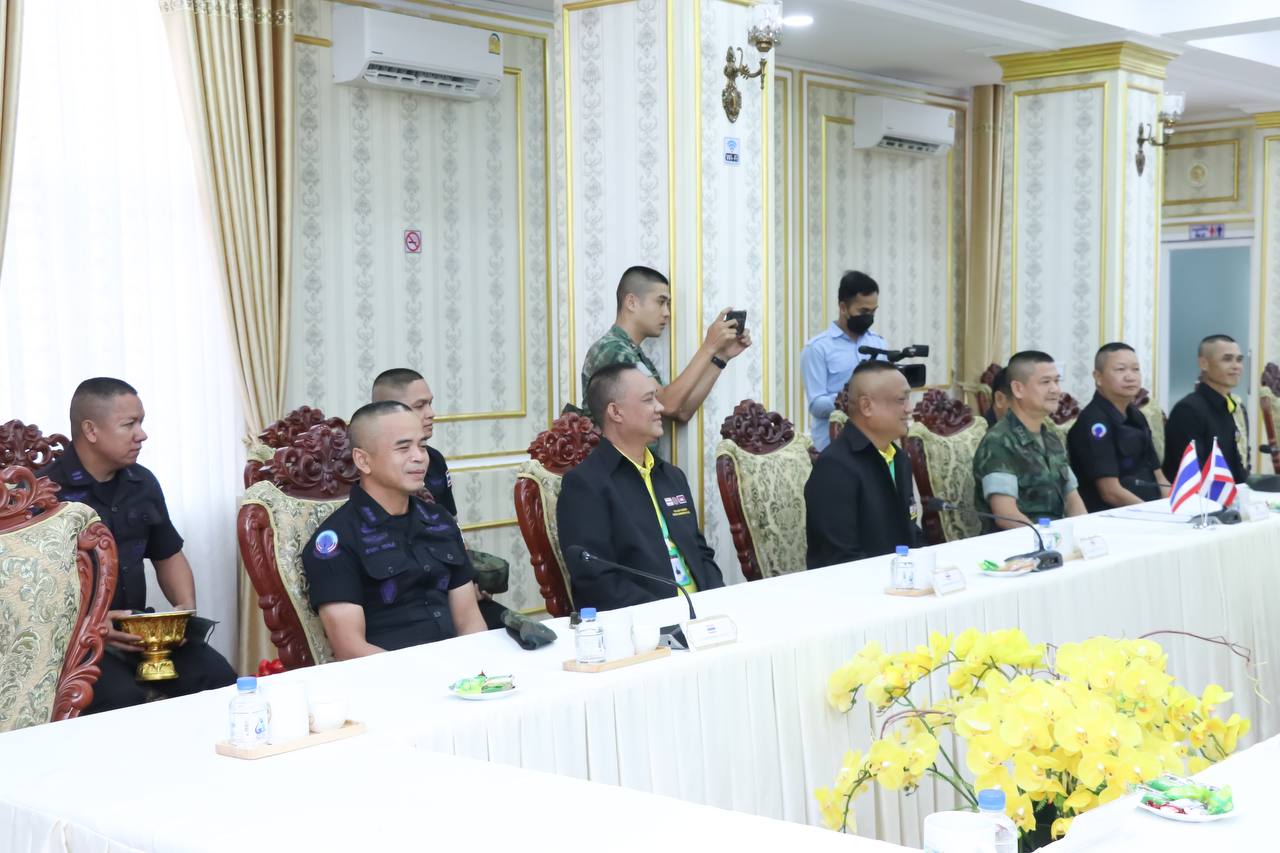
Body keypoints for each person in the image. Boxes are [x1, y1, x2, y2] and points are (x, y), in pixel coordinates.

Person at [41, 378, 236, 713]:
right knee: (122, 700)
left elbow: (168, 554)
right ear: (91, 430)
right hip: (75, 644)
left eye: (141, 422)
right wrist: (92, 624)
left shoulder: (142, 482)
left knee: (218, 675)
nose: (141, 434)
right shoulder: (46, 494)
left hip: (140, 635)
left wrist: (183, 609)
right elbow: (29, 593)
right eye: (129, 424)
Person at [302, 401, 487, 659]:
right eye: (403, 447)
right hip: (388, 676)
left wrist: (479, 669)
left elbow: (469, 621)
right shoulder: (338, 540)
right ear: (363, 460)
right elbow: (350, 649)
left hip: (460, 671)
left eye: (422, 445)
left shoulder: (439, 520)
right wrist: (426, 676)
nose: (419, 457)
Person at [557, 363, 724, 611]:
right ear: (616, 412)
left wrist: (716, 601)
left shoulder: (672, 476)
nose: (660, 408)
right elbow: (596, 580)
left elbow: (701, 554)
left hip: (704, 614)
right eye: (648, 400)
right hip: (645, 621)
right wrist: (666, 613)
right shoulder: (585, 485)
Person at [370, 367, 509, 630]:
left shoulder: (433, 460)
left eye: (430, 403)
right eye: (419, 405)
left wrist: (467, 578)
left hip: (448, 585)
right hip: (398, 593)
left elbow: (451, 528)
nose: (431, 413)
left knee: (513, 634)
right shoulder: (369, 467)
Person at [578, 265, 750, 423]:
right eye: (660, 302)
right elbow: (667, 404)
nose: (667, 313)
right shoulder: (611, 349)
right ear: (631, 303)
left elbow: (681, 412)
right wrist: (709, 347)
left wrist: (721, 356)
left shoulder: (633, 353)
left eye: (667, 304)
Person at [805, 361, 921, 569]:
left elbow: (909, 533)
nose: (910, 408)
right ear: (867, 406)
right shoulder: (835, 468)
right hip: (857, 584)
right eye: (901, 400)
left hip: (901, 579)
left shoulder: (899, 458)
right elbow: (839, 559)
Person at [972, 351, 1086, 528]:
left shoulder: (1051, 438)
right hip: (1019, 540)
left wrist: (1085, 532)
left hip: (1054, 536)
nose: (1055, 390)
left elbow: (1073, 500)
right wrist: (1049, 538)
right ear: (1018, 389)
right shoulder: (999, 441)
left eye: (1056, 381)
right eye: (1045, 382)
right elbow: (1006, 515)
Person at [1068, 343, 1170, 512]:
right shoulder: (1094, 422)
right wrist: (1154, 514)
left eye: (1135, 369)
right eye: (1121, 369)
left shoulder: (1136, 415)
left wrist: (1173, 507)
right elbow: (1110, 492)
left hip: (1151, 510)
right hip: (1114, 515)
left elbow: (1159, 476)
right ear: (1098, 377)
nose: (1131, 377)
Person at [801, 270, 888, 450]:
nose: (869, 317)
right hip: (833, 447)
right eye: (863, 311)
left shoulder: (879, 344)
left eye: (873, 311)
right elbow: (816, 405)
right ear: (843, 308)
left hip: (874, 443)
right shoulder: (817, 348)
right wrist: (850, 398)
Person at [1163, 335, 1250, 485]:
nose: (1236, 366)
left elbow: (1240, 465)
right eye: (1227, 359)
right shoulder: (1188, 410)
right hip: (1199, 496)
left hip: (1232, 493)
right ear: (1204, 363)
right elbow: (1193, 472)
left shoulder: (1235, 407)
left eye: (1239, 360)